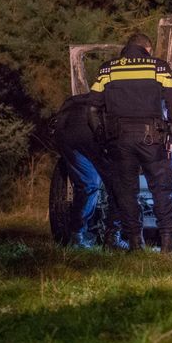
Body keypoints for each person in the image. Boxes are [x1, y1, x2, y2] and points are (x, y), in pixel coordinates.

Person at [86, 33, 172, 255]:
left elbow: (92, 108)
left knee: (126, 192)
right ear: (147, 48)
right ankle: (168, 243)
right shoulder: (158, 67)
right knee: (162, 190)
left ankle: (135, 244)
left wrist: (102, 136)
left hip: (119, 140)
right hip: (154, 138)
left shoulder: (107, 69)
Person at [52, 92, 125, 250]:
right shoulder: (121, 99)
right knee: (118, 185)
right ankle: (113, 237)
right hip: (90, 130)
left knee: (87, 185)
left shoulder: (85, 98)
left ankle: (77, 236)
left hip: (63, 129)